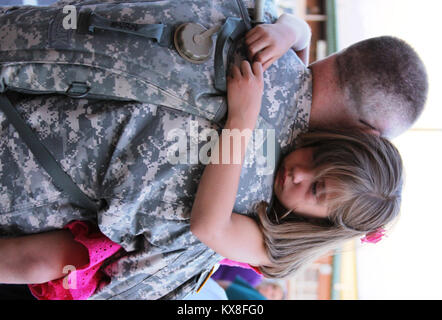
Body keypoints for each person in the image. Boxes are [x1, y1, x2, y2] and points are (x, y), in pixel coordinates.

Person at [0, 1, 425, 300]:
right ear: (363, 137)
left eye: (318, 190)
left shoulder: (251, 19)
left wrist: (291, 28)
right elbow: (132, 286)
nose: (299, 175)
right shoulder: (250, 191)